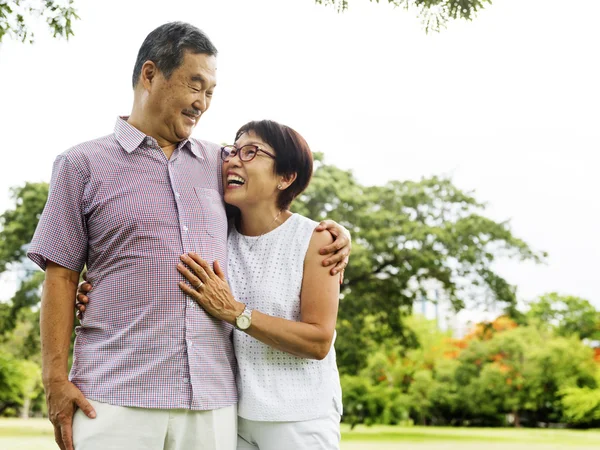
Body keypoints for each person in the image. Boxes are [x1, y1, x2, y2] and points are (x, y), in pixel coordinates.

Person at [27, 22, 350, 450]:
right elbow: (61, 276)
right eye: (195, 85)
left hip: (212, 404)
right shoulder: (80, 164)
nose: (202, 103)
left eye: (211, 92)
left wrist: (336, 232)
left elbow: (269, 212)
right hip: (113, 395)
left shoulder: (219, 162)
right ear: (150, 74)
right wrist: (54, 378)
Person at [78, 119, 343, 449]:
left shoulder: (317, 239)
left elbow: (319, 340)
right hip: (233, 416)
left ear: (286, 177)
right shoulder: (218, 235)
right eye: (232, 151)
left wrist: (236, 312)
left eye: (250, 152)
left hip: (298, 418)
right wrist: (99, 291)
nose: (232, 160)